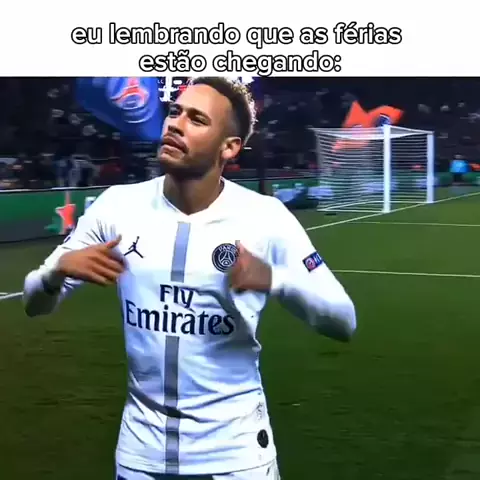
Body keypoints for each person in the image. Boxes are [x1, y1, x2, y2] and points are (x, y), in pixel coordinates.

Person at [23, 77, 357, 480]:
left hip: (235, 459)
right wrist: (56, 271)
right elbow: (33, 303)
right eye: (175, 112)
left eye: (197, 119)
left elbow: (344, 320)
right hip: (140, 457)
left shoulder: (265, 217)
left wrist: (277, 279)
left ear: (229, 147)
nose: (175, 124)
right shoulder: (117, 207)